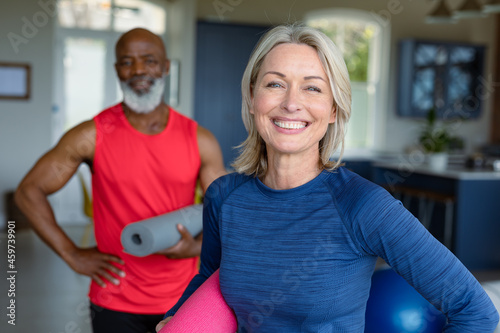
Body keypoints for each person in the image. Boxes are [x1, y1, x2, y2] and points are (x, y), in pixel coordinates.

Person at [157, 24, 499, 332]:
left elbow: (475, 311)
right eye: (275, 83)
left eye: (313, 89)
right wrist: (176, 318)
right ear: (251, 97)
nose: (292, 103)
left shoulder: (363, 205)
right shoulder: (223, 196)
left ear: (334, 109)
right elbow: (210, 279)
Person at [15, 28, 226, 332]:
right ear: (117, 70)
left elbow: (224, 208)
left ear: (166, 66)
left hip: (184, 295)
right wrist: (71, 253)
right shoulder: (91, 135)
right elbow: (28, 191)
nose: (138, 70)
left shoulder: (199, 139)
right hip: (114, 297)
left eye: (149, 61)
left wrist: (197, 247)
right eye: (127, 62)